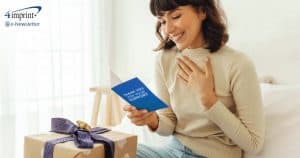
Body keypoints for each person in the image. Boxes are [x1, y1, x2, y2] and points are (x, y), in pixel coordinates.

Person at [123, 0, 265, 158]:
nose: (168, 29)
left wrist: (208, 100)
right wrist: (152, 120)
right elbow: (169, 123)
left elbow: (254, 143)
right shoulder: (164, 59)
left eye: (176, 16)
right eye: (162, 21)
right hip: (173, 152)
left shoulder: (238, 64)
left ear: (202, 11)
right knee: (114, 150)